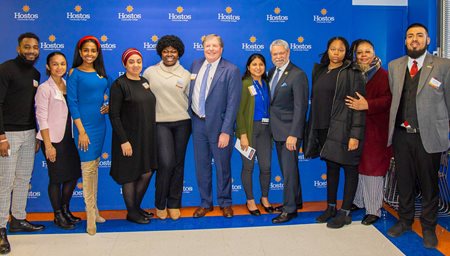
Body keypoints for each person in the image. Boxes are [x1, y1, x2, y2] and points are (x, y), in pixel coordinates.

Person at [386, 23, 450, 249]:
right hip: (402, 136)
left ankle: (429, 227)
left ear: (428, 40)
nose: (415, 39)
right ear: (405, 41)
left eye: (419, 36)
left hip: (429, 136)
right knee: (403, 182)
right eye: (410, 36)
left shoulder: (444, 65)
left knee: (429, 184)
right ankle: (404, 221)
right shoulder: (395, 66)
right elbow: (396, 96)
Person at [309, 37, 365, 228]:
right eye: (333, 49)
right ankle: (331, 207)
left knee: (350, 169)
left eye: (341, 50)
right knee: (331, 168)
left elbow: (358, 106)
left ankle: (346, 212)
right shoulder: (320, 71)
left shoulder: (353, 72)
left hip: (345, 129)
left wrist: (354, 135)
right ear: (327, 50)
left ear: (346, 52)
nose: (336, 53)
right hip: (325, 128)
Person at [0, 32, 45, 255]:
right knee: (4, 182)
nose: (31, 51)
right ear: (19, 48)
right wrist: (1, 136)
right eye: (27, 47)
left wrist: (36, 134)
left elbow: (33, 108)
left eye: (35, 47)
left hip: (29, 134)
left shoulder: (36, 73)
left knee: (23, 179)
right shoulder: (6, 69)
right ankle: (0, 229)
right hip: (8, 134)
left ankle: (18, 219)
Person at [188, 34, 241, 218]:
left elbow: (233, 103)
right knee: (201, 166)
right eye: (207, 45)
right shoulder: (195, 64)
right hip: (198, 123)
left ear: (221, 48)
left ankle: (225, 202)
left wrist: (226, 131)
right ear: (203, 47)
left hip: (219, 127)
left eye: (214, 46)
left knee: (222, 166)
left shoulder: (231, 70)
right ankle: (205, 202)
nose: (210, 49)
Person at [143, 35, 191, 221]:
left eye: (173, 51)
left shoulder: (186, 74)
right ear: (160, 52)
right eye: (165, 51)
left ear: (178, 53)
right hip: (160, 122)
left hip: (182, 123)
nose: (169, 54)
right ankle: (160, 203)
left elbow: (191, 100)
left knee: (178, 164)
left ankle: (174, 204)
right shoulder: (150, 72)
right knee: (166, 163)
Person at [345, 39, 392, 226]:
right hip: (356, 129)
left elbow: (390, 100)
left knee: (373, 169)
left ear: (374, 53)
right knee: (358, 166)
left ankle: (374, 210)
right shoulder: (353, 73)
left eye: (367, 52)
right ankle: (359, 201)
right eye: (360, 52)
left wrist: (368, 104)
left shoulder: (384, 75)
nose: (364, 55)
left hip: (376, 129)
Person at [67, 35, 110, 235]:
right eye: (86, 50)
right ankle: (89, 217)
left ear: (98, 53)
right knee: (88, 170)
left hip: (100, 126)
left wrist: (107, 105)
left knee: (94, 169)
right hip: (84, 129)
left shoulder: (100, 73)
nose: (89, 54)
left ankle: (95, 210)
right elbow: (73, 103)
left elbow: (105, 94)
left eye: (93, 50)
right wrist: (81, 131)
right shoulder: (74, 73)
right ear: (80, 52)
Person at [35, 52, 82, 230]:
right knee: (56, 178)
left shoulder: (66, 84)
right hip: (52, 139)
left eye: (62, 64)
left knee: (72, 175)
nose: (59, 67)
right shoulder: (44, 89)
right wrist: (48, 145)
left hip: (68, 138)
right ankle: (57, 215)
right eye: (55, 64)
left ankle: (65, 210)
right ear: (48, 67)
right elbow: (42, 118)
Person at [110, 48, 156, 224]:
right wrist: (124, 141)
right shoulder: (119, 85)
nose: (135, 65)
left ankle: (135, 208)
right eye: (131, 62)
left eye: (138, 61)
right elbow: (114, 116)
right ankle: (132, 212)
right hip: (127, 139)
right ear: (124, 64)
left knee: (146, 172)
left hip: (145, 137)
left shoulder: (144, 82)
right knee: (129, 175)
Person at [268, 40, 309, 224]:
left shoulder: (297, 74)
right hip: (276, 130)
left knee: (289, 171)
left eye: (281, 53)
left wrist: (294, 134)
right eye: (274, 54)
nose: (278, 57)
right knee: (289, 170)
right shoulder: (271, 72)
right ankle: (296, 201)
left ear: (288, 52)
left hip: (289, 133)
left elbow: (301, 108)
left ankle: (289, 209)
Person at [236, 53, 274, 216]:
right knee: (248, 167)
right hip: (250, 130)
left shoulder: (266, 83)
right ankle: (250, 200)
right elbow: (239, 112)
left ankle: (264, 198)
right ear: (248, 67)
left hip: (265, 131)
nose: (258, 67)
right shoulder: (245, 84)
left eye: (261, 64)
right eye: (254, 64)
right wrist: (242, 134)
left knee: (266, 167)